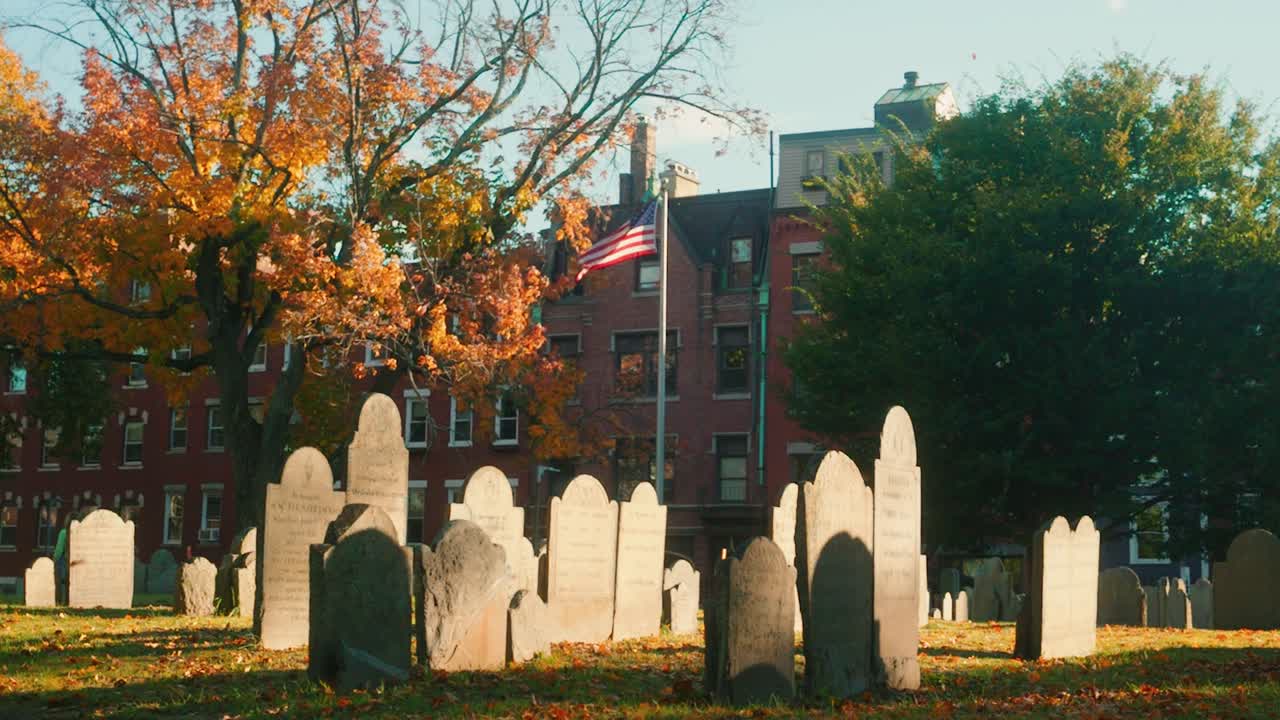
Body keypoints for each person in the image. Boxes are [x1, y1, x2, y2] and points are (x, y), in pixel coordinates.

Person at [52, 515, 69, 605]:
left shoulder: (64, 532)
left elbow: (59, 550)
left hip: (63, 561)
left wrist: (54, 560)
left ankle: (58, 601)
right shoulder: (80, 532)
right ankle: (67, 601)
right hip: (74, 561)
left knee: (59, 583)